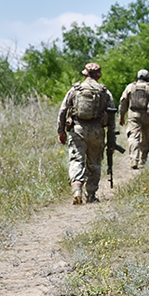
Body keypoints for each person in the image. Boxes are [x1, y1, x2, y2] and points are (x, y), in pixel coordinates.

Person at [57, 63, 117, 204]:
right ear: (99, 75)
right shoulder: (104, 92)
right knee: (94, 163)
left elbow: (63, 111)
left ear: (85, 74)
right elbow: (112, 116)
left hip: (77, 129)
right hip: (97, 131)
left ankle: (77, 189)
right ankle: (91, 194)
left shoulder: (74, 89)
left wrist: (61, 131)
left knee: (77, 159)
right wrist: (111, 139)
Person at [119, 69, 149, 169]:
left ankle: (134, 159)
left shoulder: (131, 87)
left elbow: (123, 101)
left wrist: (121, 116)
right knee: (145, 137)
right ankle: (143, 159)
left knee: (134, 137)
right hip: (148, 115)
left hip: (133, 115)